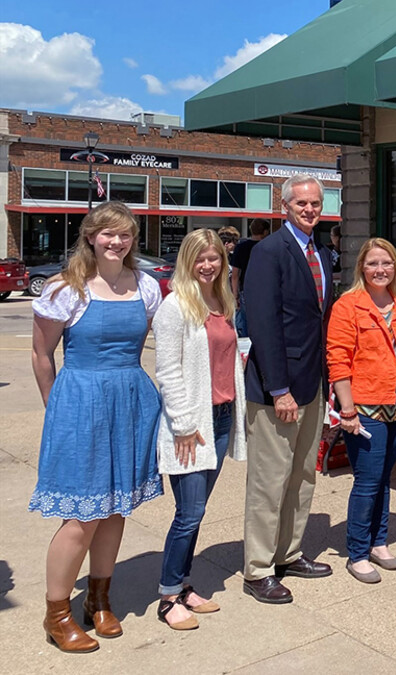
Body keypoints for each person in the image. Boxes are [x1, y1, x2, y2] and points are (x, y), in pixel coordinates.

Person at [30, 201, 164, 652]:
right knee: (79, 518)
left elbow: (140, 343)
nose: (117, 242)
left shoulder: (145, 286)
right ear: (90, 236)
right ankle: (58, 612)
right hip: (81, 402)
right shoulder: (65, 289)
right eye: (108, 234)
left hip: (129, 401)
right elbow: (42, 355)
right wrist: (57, 409)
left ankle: (100, 600)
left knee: (113, 510)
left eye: (125, 235)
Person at [240, 174, 335, 604]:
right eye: (302, 204)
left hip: (312, 383)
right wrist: (279, 389)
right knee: (269, 480)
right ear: (285, 207)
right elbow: (262, 324)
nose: (310, 209)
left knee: (302, 475)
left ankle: (289, 553)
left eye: (315, 203)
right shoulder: (268, 251)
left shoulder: (321, 251)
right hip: (277, 389)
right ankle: (258, 568)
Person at [152, 229, 246, 630]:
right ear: (187, 261)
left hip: (221, 418)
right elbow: (167, 371)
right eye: (200, 258)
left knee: (198, 510)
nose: (208, 265)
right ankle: (168, 595)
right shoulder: (175, 307)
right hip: (191, 423)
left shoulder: (221, 301)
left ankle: (185, 584)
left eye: (214, 258)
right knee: (189, 513)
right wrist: (184, 425)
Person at [326, 238, 396, 584]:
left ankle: (379, 542)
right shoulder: (348, 306)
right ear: (361, 268)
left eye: (387, 263)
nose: (380, 270)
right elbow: (338, 358)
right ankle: (358, 551)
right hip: (364, 407)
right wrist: (346, 408)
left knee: (384, 477)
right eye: (373, 264)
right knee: (367, 479)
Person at [231, 218, 270, 337]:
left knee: (246, 325)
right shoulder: (269, 247)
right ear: (265, 232)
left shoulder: (240, 247)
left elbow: (235, 275)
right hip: (266, 291)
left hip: (246, 290)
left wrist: (235, 295)